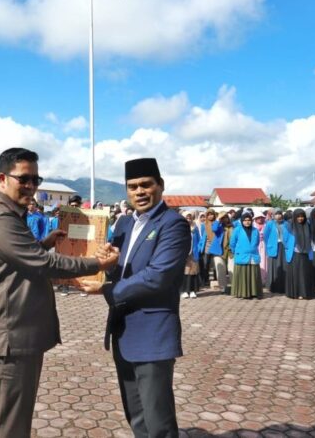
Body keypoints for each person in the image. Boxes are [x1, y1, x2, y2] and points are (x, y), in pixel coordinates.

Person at [0, 148, 116, 438]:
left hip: (14, 334)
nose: (31, 186)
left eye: (36, 179)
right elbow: (43, 265)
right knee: (9, 426)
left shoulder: (8, 214)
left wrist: (45, 242)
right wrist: (97, 264)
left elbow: (18, 259)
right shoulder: (2, 217)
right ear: (3, 178)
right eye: (24, 178)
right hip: (8, 338)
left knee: (14, 420)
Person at [80, 157, 189, 438]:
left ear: (160, 186)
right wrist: (106, 264)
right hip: (123, 330)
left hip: (153, 333)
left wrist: (106, 290)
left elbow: (158, 276)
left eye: (145, 185)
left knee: (158, 419)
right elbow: (120, 267)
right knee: (136, 415)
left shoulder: (173, 224)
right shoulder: (125, 223)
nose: (139, 192)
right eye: (132, 187)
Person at [284, 209, 315, 299]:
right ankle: (297, 293)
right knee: (297, 274)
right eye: (298, 216)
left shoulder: (307, 225)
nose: (300, 218)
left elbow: (310, 238)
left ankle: (305, 292)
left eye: (302, 216)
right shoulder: (289, 226)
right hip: (295, 253)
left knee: (305, 274)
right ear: (295, 217)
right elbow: (285, 240)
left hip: (306, 253)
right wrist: (290, 248)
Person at [230, 211, 262, 299]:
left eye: (249, 220)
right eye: (245, 220)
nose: (247, 222)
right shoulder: (237, 229)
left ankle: (254, 292)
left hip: (253, 255)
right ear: (242, 221)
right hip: (241, 255)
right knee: (243, 275)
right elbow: (232, 242)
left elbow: (257, 242)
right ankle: (243, 293)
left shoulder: (255, 230)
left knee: (253, 274)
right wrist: (236, 251)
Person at [200, 209, 225, 294]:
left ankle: (215, 280)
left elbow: (216, 231)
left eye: (212, 214)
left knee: (214, 264)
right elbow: (203, 236)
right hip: (207, 245)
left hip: (215, 245)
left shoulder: (218, 223)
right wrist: (200, 246)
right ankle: (205, 281)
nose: (211, 216)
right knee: (206, 263)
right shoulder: (204, 224)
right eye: (209, 215)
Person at [263, 209, 287, 293]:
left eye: (280, 214)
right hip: (273, 247)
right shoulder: (270, 224)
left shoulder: (285, 224)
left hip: (283, 247)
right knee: (273, 266)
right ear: (273, 215)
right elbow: (265, 236)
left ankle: (283, 286)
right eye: (276, 214)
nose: (279, 216)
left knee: (283, 265)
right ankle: (272, 286)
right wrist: (269, 246)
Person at [181, 212, 201, 299]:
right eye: (187, 218)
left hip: (194, 253)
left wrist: (199, 249)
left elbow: (199, 240)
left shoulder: (195, 228)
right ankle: (185, 291)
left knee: (193, 272)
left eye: (190, 218)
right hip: (184, 253)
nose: (188, 219)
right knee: (185, 272)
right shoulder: (180, 227)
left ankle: (193, 290)